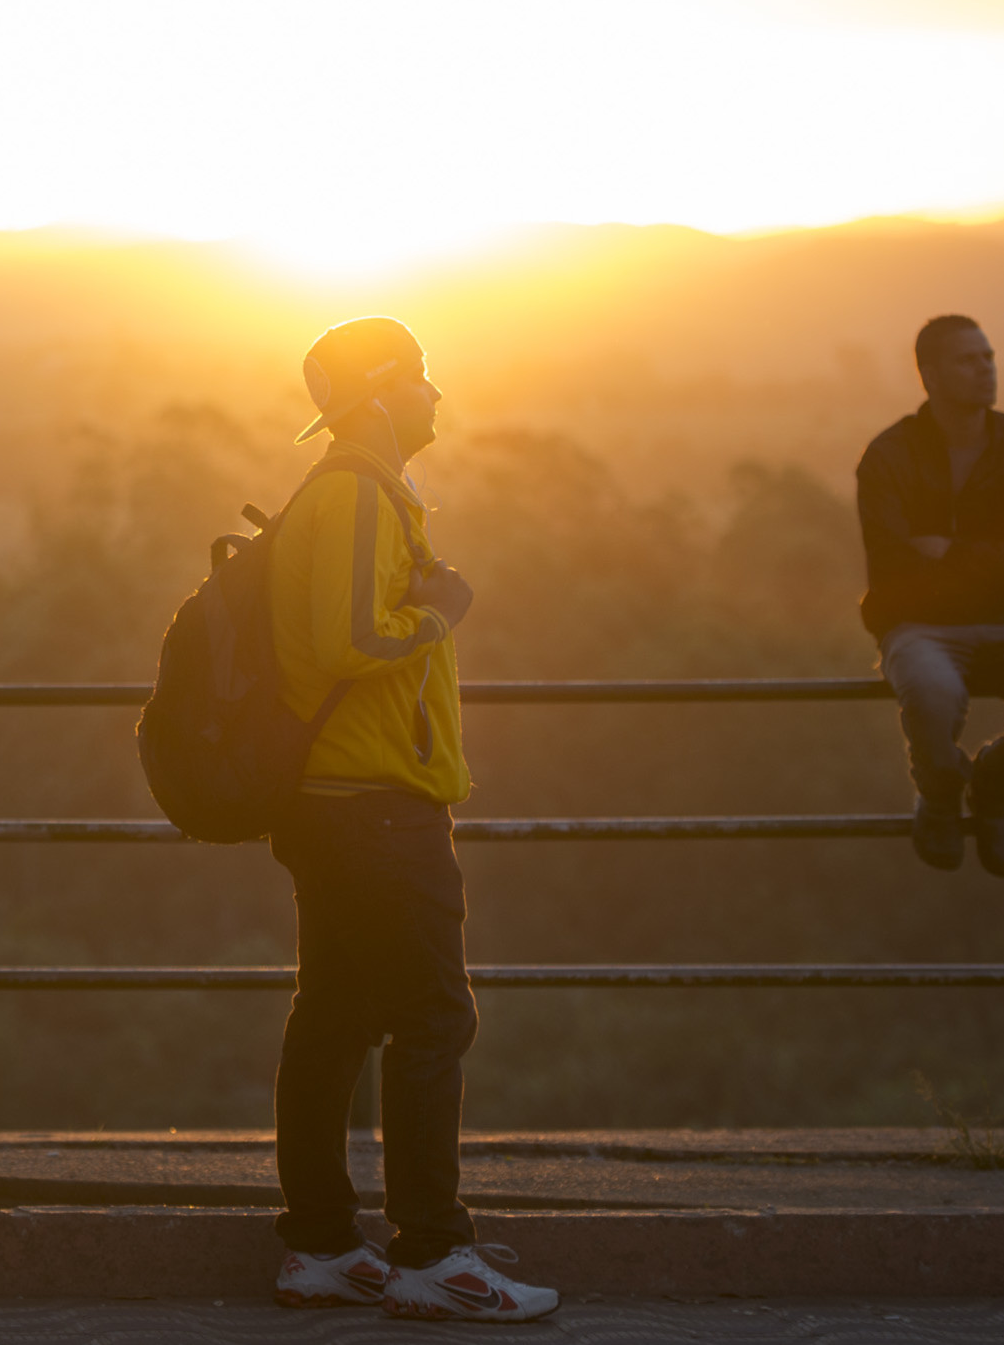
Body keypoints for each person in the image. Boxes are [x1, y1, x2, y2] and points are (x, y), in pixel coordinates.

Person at [264, 316, 557, 1323]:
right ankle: (432, 1254)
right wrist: (441, 611)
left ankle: (319, 1247)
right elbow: (351, 638)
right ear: (384, 395)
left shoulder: (356, 491)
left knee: (336, 1016)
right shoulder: (351, 493)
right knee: (433, 1016)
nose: (436, 397)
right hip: (374, 805)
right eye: (422, 381)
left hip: (343, 802)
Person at [857, 314, 1004, 877]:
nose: (986, 369)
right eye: (968, 360)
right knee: (933, 692)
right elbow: (893, 562)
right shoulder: (889, 456)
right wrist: (999, 558)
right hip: (916, 626)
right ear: (930, 375)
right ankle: (939, 794)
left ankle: (996, 785)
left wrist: (952, 552)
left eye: (988, 357)